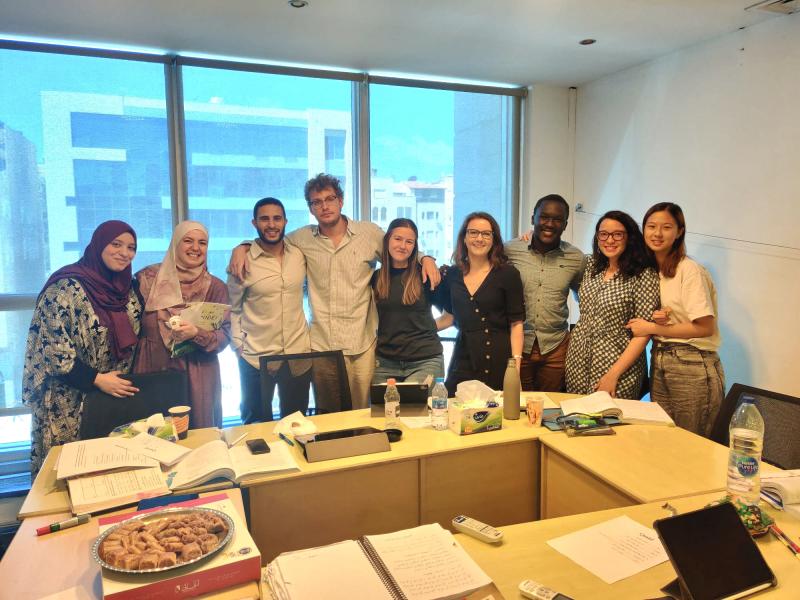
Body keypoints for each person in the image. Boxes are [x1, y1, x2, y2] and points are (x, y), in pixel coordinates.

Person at [229, 173, 440, 410]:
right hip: (322, 346)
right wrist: (243, 246)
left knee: (365, 413)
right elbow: (269, 238)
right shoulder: (301, 239)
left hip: (362, 344)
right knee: (329, 416)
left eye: (329, 198)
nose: (324, 206)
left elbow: (399, 246)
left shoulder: (368, 234)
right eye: (316, 202)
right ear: (310, 208)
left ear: (341, 200)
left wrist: (427, 258)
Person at [22, 221, 142, 476]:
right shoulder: (64, 288)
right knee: (69, 475)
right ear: (98, 245)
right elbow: (54, 351)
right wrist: (97, 379)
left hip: (112, 397)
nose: (124, 253)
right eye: (116, 244)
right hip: (69, 400)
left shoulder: (128, 289)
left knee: (110, 476)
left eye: (131, 247)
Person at [626, 203, 724, 436]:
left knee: (692, 441)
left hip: (691, 364)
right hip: (660, 359)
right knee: (667, 439)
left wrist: (650, 327)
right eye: (651, 226)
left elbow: (705, 327)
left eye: (666, 227)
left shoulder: (689, 270)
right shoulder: (652, 270)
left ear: (679, 231)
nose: (657, 234)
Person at [133, 221, 230, 429]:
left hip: (198, 373)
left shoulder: (216, 287)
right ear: (175, 243)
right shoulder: (146, 280)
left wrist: (197, 333)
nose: (195, 248)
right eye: (188, 241)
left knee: (198, 437)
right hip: (153, 369)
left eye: (202, 243)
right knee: (154, 435)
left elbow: (224, 337)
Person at [227, 198, 311, 423]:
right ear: (254, 223)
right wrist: (238, 347)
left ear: (285, 221)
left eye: (277, 218)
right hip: (256, 356)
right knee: (256, 424)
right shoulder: (242, 261)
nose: (271, 224)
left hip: (297, 352)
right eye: (265, 219)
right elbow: (232, 308)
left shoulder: (298, 255)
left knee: (297, 424)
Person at [565, 210, 659, 398]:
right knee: (577, 419)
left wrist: (613, 374)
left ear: (629, 237)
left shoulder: (643, 274)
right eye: (604, 234)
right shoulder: (591, 265)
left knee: (612, 421)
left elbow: (643, 333)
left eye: (617, 234)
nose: (610, 240)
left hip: (618, 365)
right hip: (577, 360)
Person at [505, 194, 586, 392]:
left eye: (557, 219)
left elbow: (585, 297)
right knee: (517, 407)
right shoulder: (509, 250)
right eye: (544, 217)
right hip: (516, 347)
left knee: (551, 409)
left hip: (556, 349)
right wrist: (425, 258)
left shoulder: (576, 258)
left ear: (565, 224)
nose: (549, 224)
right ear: (533, 218)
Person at [439, 212, 525, 395]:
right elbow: (447, 318)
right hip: (463, 356)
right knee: (456, 413)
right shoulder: (452, 274)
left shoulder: (508, 274)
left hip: (497, 357)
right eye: (473, 232)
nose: (479, 238)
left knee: (495, 417)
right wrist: (412, 330)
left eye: (486, 234)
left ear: (494, 239)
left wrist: (515, 368)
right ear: (464, 237)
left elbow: (516, 324)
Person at [372, 218, 450, 384]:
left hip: (425, 360)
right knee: (384, 410)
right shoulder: (376, 278)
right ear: (387, 241)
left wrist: (423, 329)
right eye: (398, 239)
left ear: (415, 246)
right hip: (384, 362)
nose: (402, 246)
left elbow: (449, 317)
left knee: (413, 409)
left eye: (409, 242)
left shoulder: (425, 275)